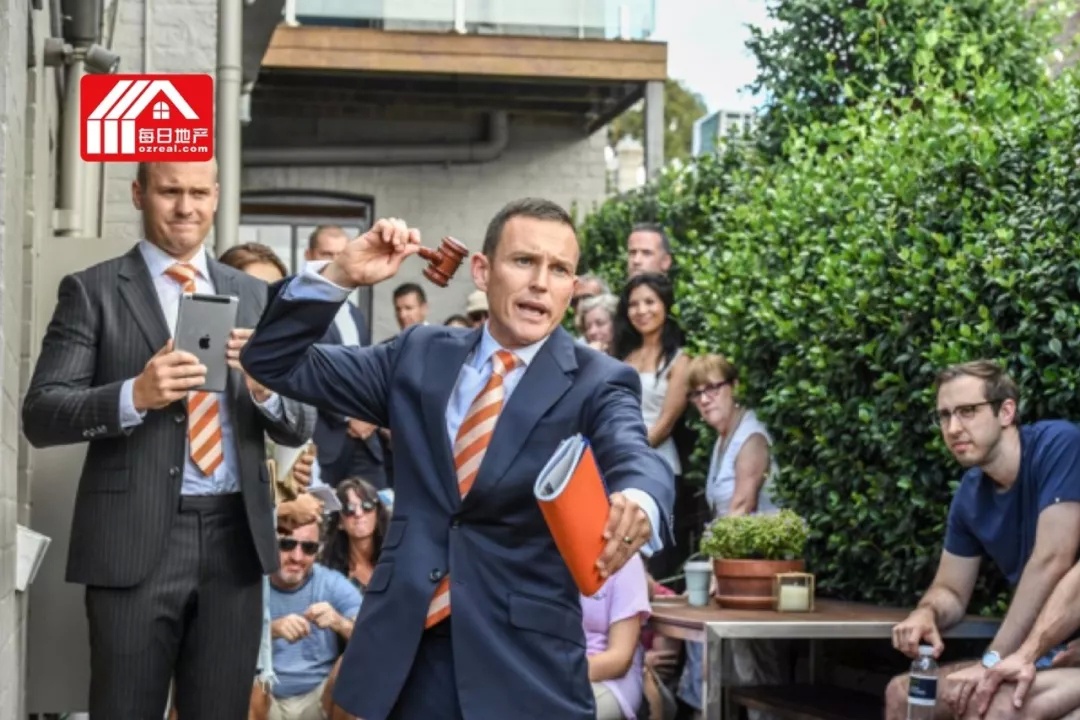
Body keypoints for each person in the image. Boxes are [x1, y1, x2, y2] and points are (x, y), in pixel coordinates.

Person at [240, 198, 676, 720]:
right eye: (524, 261)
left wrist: (639, 496)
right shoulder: (417, 353)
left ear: (571, 287)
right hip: (403, 652)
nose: (541, 282)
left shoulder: (597, 380)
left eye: (559, 269)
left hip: (522, 662)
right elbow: (272, 360)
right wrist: (340, 275)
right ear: (483, 271)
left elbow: (633, 450)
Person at [21, 160, 316, 719]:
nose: (185, 207)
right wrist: (134, 394)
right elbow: (41, 414)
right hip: (131, 541)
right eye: (170, 191)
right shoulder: (93, 290)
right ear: (138, 194)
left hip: (235, 541)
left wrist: (262, 388)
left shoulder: (257, 296)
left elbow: (300, 421)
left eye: (198, 193)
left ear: (217, 197)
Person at [882, 360, 1080, 720]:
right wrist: (927, 612)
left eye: (968, 411)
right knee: (903, 693)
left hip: (1056, 654)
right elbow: (951, 590)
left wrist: (992, 661)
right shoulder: (970, 495)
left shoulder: (1058, 446)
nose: (953, 428)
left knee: (992, 706)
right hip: (1042, 654)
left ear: (1006, 412)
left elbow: (1053, 560)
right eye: (944, 416)